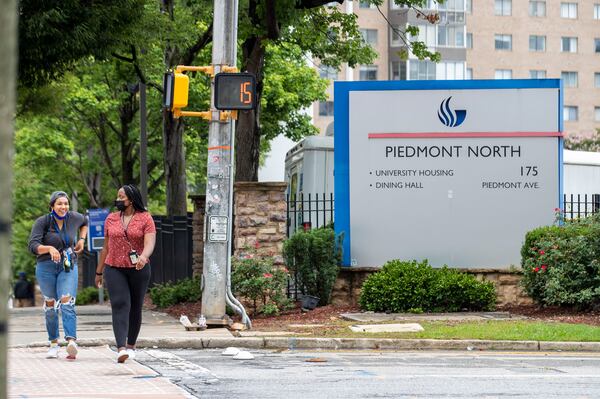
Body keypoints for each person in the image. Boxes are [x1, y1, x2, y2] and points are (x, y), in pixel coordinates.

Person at [96, 184, 156, 363]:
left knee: (135, 306)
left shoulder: (145, 218)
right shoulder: (111, 219)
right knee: (120, 304)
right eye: (118, 196)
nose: (118, 200)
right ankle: (121, 347)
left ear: (131, 199)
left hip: (139, 268)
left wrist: (143, 257)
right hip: (114, 267)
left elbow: (150, 242)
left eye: (122, 197)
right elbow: (105, 247)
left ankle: (131, 346)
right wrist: (99, 271)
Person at [28, 191, 88, 360]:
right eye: (59, 204)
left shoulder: (74, 217)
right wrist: (49, 248)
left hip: (67, 265)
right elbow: (32, 245)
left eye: (66, 203)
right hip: (46, 266)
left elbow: (85, 221)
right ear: (52, 206)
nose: (64, 207)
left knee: (67, 301)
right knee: (51, 306)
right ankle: (53, 343)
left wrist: (82, 239)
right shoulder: (42, 222)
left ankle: (71, 341)